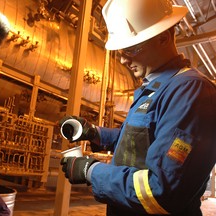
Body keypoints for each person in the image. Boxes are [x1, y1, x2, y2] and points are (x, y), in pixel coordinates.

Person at [59, 0, 216, 215]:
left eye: (130, 49)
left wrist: (91, 171)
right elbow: (138, 143)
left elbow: (161, 191)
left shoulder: (190, 91)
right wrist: (93, 132)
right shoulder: (154, 88)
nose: (122, 59)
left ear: (163, 37)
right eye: (121, 50)